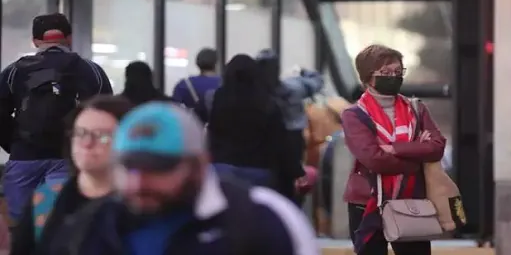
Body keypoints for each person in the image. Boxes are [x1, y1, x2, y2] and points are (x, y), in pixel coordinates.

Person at [45, 102, 319, 255]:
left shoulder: (262, 221)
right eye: (129, 168)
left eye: (158, 169)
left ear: (199, 164)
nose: (139, 183)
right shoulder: (93, 226)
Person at [0, 13, 112, 224]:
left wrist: (14, 143)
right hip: (68, 158)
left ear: (35, 41)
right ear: (69, 38)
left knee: (21, 225)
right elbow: (105, 114)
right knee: (62, 225)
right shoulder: (91, 70)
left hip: (24, 158)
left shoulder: (14, 71)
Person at [342, 44, 446, 255]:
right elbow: (374, 159)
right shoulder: (354, 115)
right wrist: (416, 155)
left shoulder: (416, 108)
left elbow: (437, 147)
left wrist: (394, 148)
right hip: (367, 202)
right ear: (367, 76)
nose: (394, 77)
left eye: (398, 72)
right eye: (386, 72)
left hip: (411, 200)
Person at [11, 95, 134, 255]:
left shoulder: (144, 206)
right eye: (80, 133)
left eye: (102, 136)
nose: (87, 143)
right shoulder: (46, 200)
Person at [207, 54, 304, 198]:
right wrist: (296, 171)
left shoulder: (219, 99)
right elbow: (280, 141)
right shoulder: (266, 102)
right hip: (259, 172)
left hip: (223, 170)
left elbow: (212, 134)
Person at [255, 50, 324, 193]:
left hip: (263, 144)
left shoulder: (253, 93)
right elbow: (317, 82)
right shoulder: (294, 87)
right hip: (293, 140)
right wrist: (303, 71)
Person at [172, 48, 221, 113]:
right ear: (216, 63)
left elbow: (175, 110)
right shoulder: (224, 83)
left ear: (197, 64)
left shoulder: (185, 84)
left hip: (192, 122)